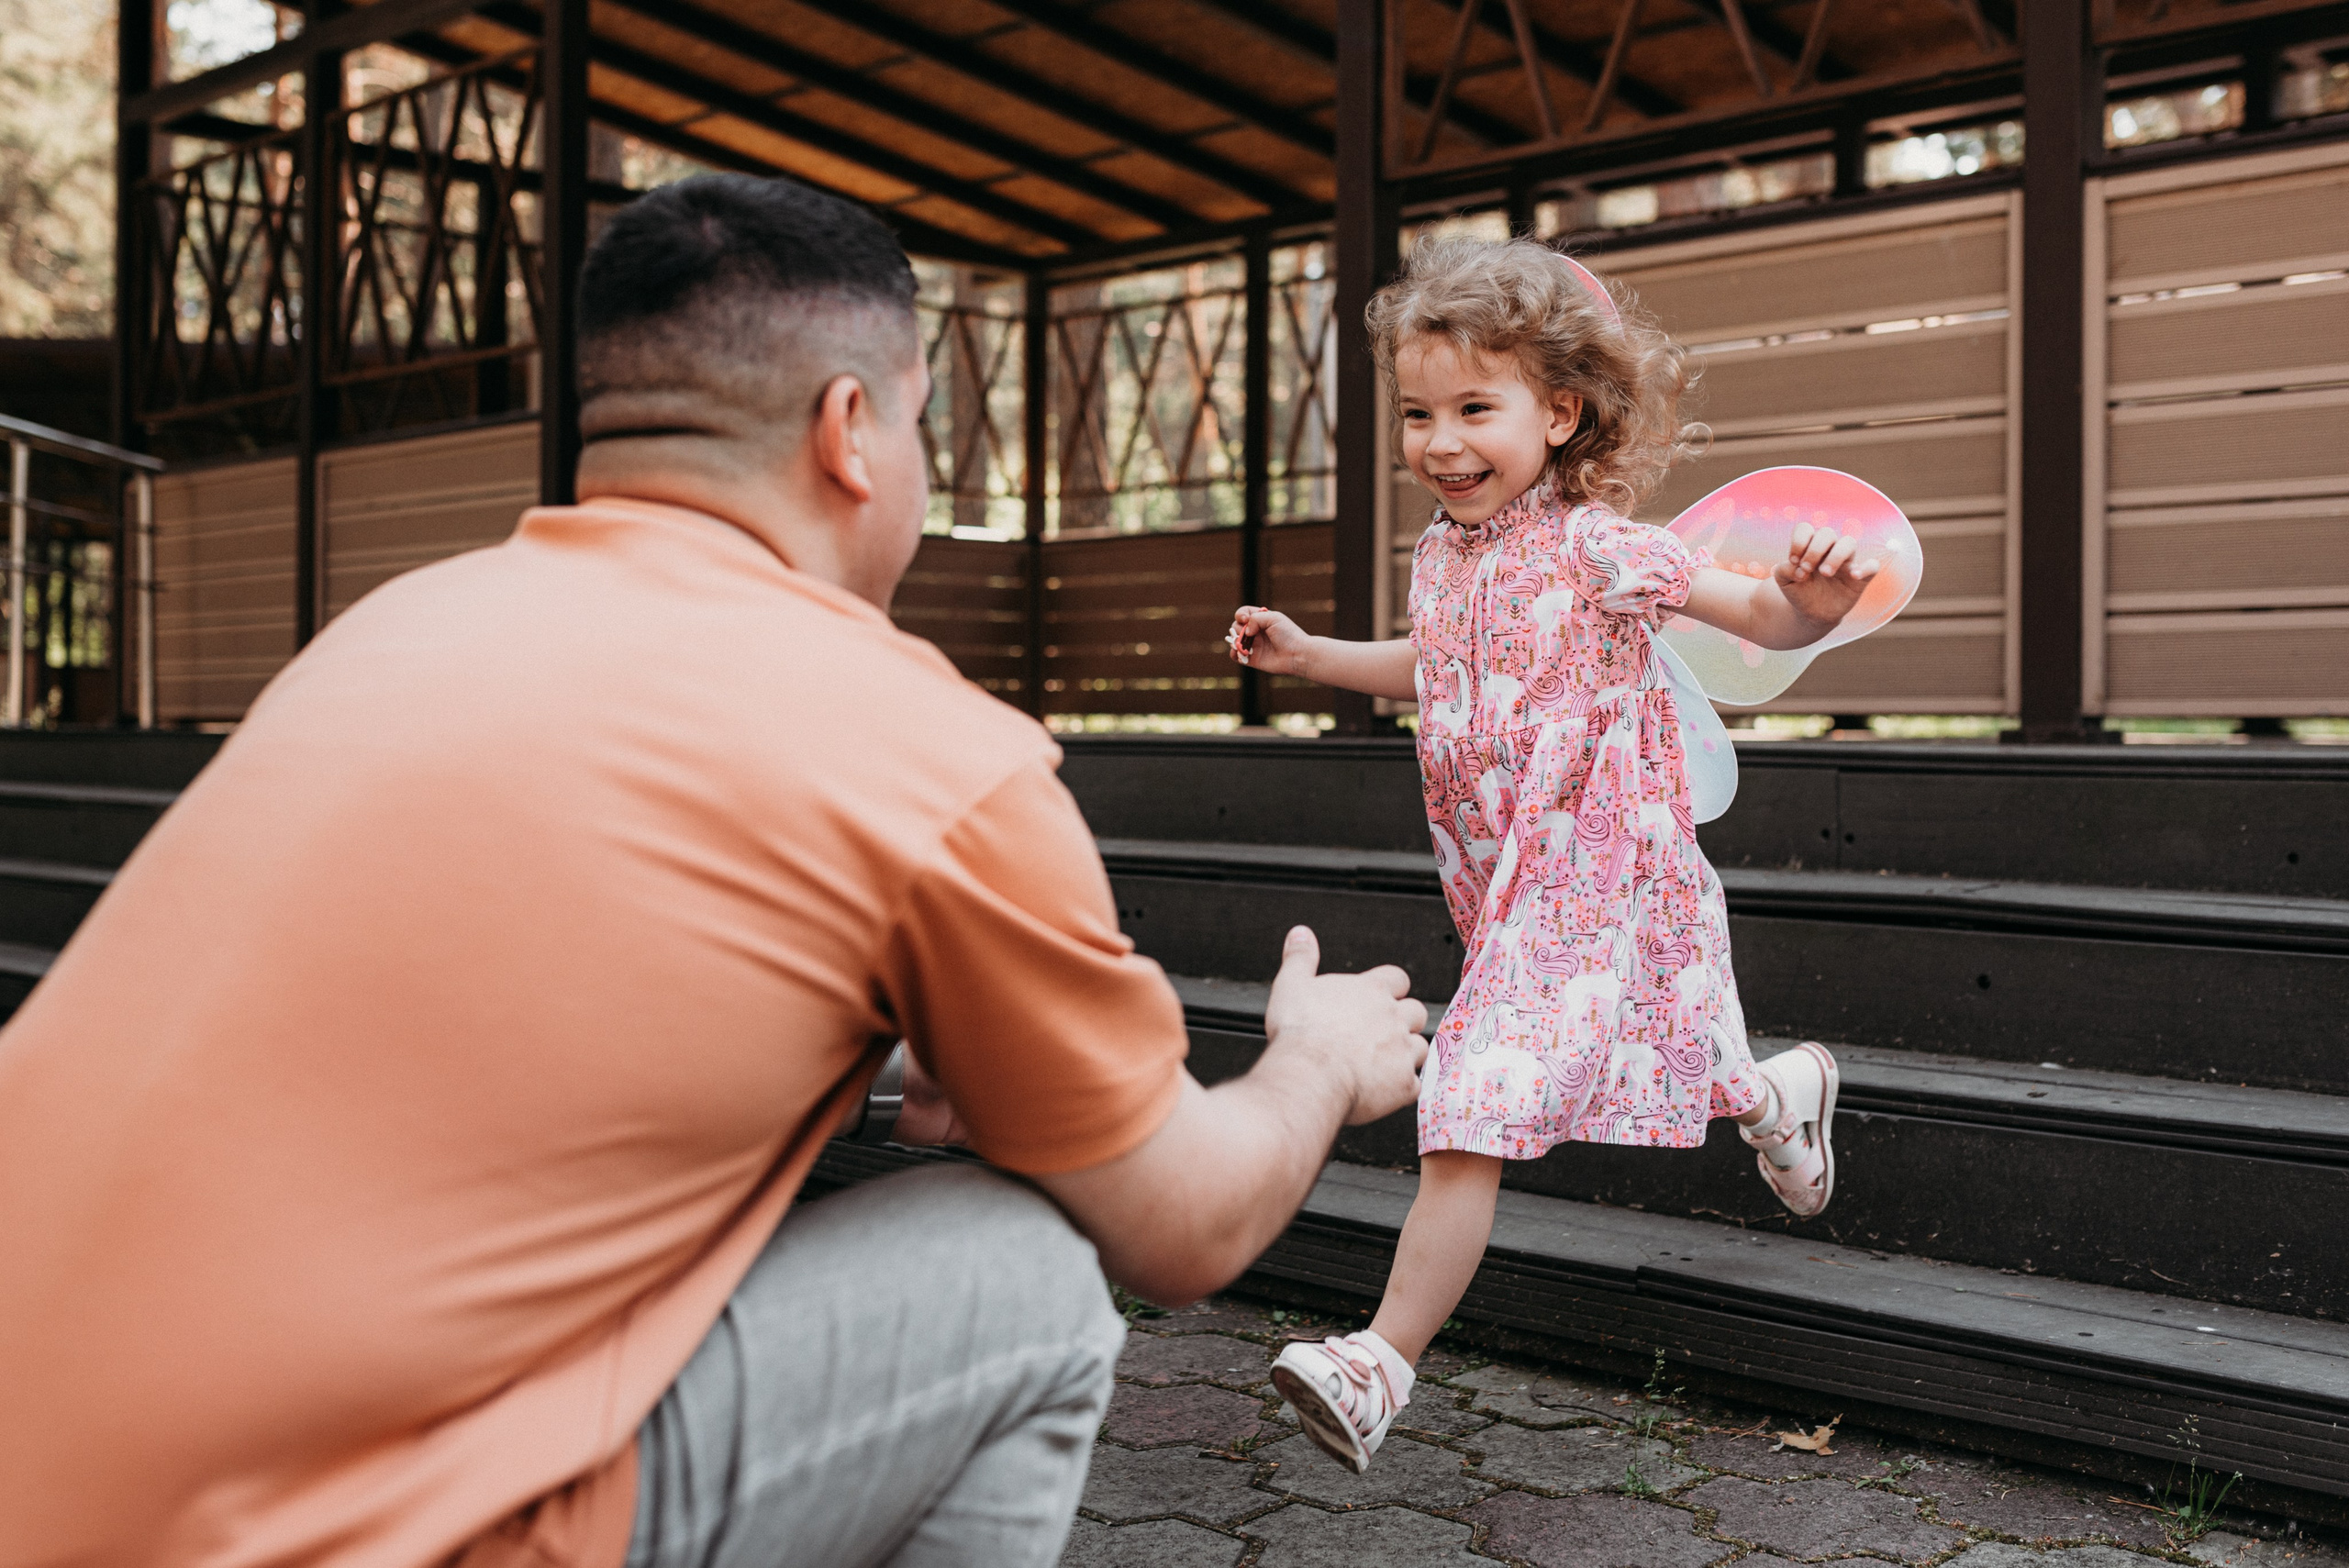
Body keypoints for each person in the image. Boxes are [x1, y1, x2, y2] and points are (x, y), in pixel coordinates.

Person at [0, 175, 1426, 1568]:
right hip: (318, 1535)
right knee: (1027, 1280)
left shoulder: (388, 634)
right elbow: (1184, 1226)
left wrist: (885, 1066)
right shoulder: (922, 750)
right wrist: (1315, 1059)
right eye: (924, 426)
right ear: (850, 429)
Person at [1226, 236, 1873, 1475]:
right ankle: (1779, 1097)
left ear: (1560, 412)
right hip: (1507, 876)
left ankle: (1380, 1364)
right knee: (1680, 1041)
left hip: (1604, 871)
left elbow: (1756, 612)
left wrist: (1811, 603)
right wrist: (1313, 658)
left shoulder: (1598, 546)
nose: (1441, 441)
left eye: (1476, 408)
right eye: (1418, 413)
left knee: (1470, 1090)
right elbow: (1434, 663)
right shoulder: (1441, 553)